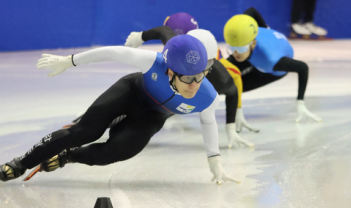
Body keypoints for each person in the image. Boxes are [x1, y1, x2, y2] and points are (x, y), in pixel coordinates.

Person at [0, 35, 237, 185]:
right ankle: (21, 162)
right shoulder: (152, 62)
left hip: (151, 116)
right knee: (85, 132)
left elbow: (208, 123)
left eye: (201, 77)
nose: (195, 86)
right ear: (170, 71)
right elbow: (112, 52)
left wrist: (214, 159)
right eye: (188, 79)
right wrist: (69, 61)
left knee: (118, 152)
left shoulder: (208, 96)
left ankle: (66, 157)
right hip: (130, 92)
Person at [125, 12, 258, 134]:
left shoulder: (216, 73)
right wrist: (140, 37)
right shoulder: (177, 46)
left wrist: (235, 116)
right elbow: (163, 31)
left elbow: (233, 86)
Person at [223, 7, 322, 125]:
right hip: (253, 52)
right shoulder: (245, 40)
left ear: (253, 43)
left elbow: (303, 67)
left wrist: (300, 102)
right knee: (221, 75)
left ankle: (235, 117)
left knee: (231, 88)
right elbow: (251, 10)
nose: (235, 53)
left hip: (270, 71)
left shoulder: (272, 61)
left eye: (239, 48)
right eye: (232, 48)